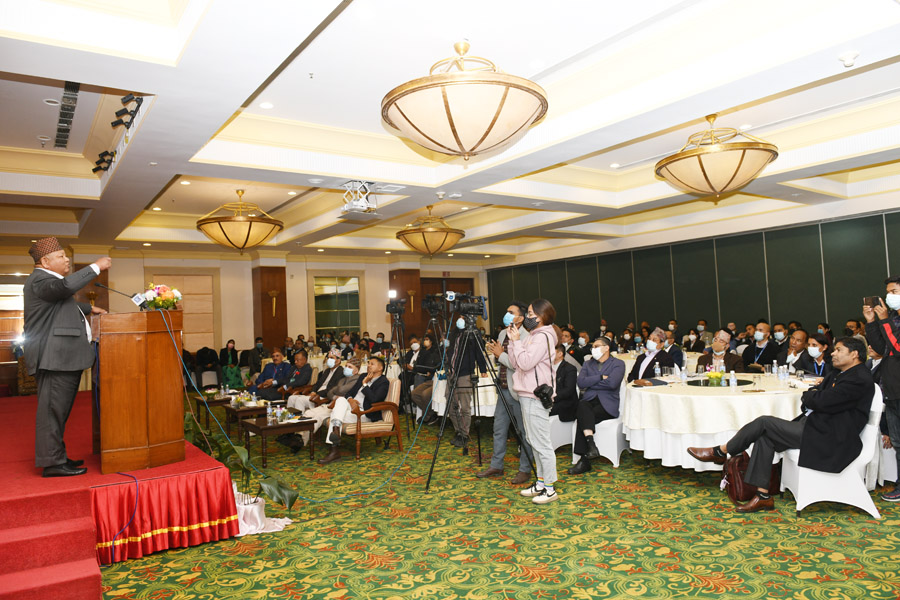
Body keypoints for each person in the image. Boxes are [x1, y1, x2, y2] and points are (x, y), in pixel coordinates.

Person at [688, 337, 874, 513]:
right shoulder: (839, 373)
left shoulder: (859, 378)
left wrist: (813, 396)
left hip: (831, 436)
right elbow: (814, 396)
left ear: (854, 354)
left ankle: (722, 451)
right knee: (765, 437)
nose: (833, 353)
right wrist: (814, 396)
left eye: (839, 350)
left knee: (765, 422)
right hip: (817, 426)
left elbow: (822, 400)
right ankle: (762, 496)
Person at [23, 238, 110, 477]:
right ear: (45, 261)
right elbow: (62, 290)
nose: (67, 259)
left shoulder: (48, 282)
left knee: (58, 412)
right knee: (52, 412)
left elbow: (58, 305)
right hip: (54, 358)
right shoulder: (40, 279)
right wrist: (95, 267)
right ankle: (52, 463)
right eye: (61, 256)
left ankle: (57, 456)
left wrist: (89, 308)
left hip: (61, 357)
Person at [507, 298, 560, 504]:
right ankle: (541, 482)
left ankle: (550, 488)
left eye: (530, 314)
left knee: (542, 444)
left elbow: (526, 363)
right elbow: (516, 363)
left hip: (536, 395)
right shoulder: (533, 336)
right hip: (526, 393)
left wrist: (517, 342)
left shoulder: (543, 336)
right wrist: (513, 342)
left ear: (542, 316)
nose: (528, 317)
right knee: (533, 441)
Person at [478, 301, 534, 484]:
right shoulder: (503, 333)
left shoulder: (527, 337)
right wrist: (497, 355)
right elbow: (501, 361)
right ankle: (496, 465)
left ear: (521, 318)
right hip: (502, 389)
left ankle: (525, 469)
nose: (507, 314)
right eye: (506, 311)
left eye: (511, 312)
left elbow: (521, 365)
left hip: (519, 391)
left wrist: (500, 354)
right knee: (499, 429)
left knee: (524, 432)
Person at [864, 277, 900, 501]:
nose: (889, 296)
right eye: (888, 292)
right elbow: (881, 347)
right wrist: (871, 322)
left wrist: (884, 319)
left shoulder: (890, 318)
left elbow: (897, 347)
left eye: (894, 291)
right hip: (893, 390)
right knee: (898, 441)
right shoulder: (893, 317)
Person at [569, 337, 625, 475]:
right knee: (583, 407)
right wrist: (600, 377)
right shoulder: (588, 363)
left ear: (606, 348)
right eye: (592, 346)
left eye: (597, 346)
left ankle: (585, 458)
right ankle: (591, 446)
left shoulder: (618, 364)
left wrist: (591, 382)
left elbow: (612, 384)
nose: (593, 349)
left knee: (582, 414)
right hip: (589, 401)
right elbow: (581, 383)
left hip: (607, 404)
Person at [318, 357, 389, 464]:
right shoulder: (363, 376)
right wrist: (351, 400)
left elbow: (374, 399)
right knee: (341, 400)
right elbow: (348, 394)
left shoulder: (383, 382)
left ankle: (334, 450)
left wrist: (365, 384)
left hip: (364, 413)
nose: (369, 365)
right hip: (351, 408)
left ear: (380, 368)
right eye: (368, 363)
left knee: (335, 414)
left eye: (372, 364)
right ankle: (336, 432)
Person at [445, 320, 488, 449]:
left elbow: (479, 351)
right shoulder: (454, 333)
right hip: (451, 373)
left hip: (465, 373)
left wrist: (483, 369)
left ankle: (464, 434)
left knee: (464, 406)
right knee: (451, 405)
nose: (461, 318)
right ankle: (458, 431)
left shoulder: (473, 333)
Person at [549, 343, 578, 422]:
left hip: (565, 402)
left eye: (551, 351)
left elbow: (568, 390)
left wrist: (551, 398)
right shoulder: (547, 367)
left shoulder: (569, 368)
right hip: (550, 400)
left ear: (560, 354)